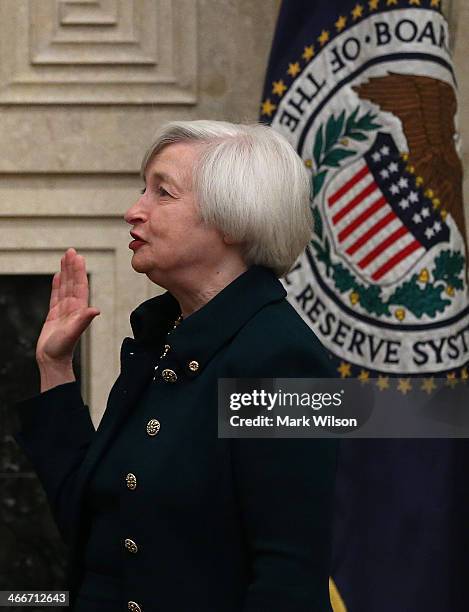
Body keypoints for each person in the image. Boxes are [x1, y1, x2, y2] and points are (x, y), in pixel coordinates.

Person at [14, 120, 337, 612]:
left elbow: (290, 579)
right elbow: (93, 526)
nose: (133, 212)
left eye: (161, 193)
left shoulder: (286, 358)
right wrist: (54, 366)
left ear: (234, 218)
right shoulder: (160, 339)